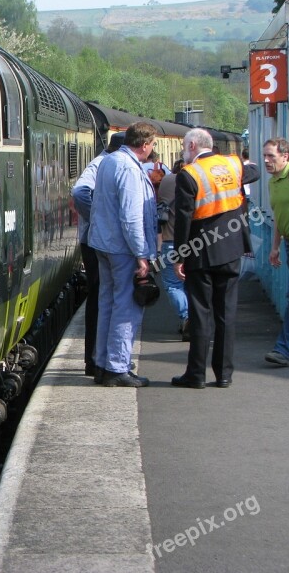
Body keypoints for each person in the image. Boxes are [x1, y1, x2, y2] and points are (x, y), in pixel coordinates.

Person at [171, 128, 257, 388]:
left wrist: (179, 256)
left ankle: (196, 375)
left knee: (200, 314)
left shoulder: (189, 174)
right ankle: (224, 375)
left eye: (186, 146)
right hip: (231, 250)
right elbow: (254, 171)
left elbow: (183, 220)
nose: (184, 151)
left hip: (201, 253)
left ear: (194, 145)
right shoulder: (233, 164)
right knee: (226, 314)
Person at [88, 122, 159, 388]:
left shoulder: (109, 161)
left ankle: (102, 363)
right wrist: (142, 254)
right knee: (126, 307)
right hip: (122, 248)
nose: (152, 149)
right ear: (144, 144)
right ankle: (117, 367)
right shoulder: (129, 168)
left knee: (107, 304)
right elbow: (131, 218)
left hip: (104, 244)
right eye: (152, 144)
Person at [71, 132, 125, 379]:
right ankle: (93, 359)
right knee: (99, 299)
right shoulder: (101, 164)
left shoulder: (108, 161)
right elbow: (80, 193)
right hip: (95, 242)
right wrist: (99, 219)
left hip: (99, 240)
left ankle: (99, 359)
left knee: (103, 298)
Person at [263, 138, 289, 366]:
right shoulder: (273, 182)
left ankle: (284, 349)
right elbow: (279, 216)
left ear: (285, 156)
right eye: (265, 156)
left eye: (271, 156)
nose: (266, 160)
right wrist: (275, 247)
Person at [157, 160, 190, 341]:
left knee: (173, 285)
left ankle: (186, 317)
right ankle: (193, 318)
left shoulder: (167, 181)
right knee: (192, 284)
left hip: (170, 241)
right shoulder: (200, 180)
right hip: (199, 242)